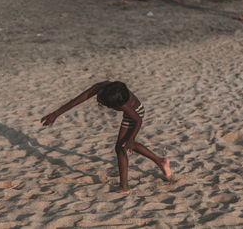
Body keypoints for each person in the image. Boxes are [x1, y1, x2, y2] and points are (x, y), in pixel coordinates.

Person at [41, 81, 172, 194]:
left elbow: (138, 121)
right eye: (99, 97)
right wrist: (56, 114)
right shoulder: (102, 87)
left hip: (135, 114)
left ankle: (125, 187)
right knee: (123, 145)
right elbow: (78, 99)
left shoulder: (124, 105)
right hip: (132, 114)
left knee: (122, 146)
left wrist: (131, 139)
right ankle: (160, 162)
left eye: (102, 101)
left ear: (115, 106)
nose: (98, 99)